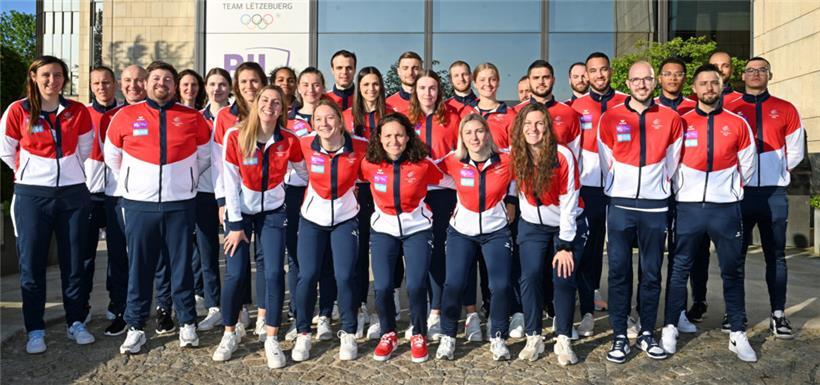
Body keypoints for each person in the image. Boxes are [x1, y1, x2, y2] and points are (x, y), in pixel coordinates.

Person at [105, 61, 211, 354]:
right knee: (139, 267)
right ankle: (136, 326)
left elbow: (204, 157)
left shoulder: (192, 117)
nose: (161, 82)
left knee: (182, 267)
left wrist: (184, 181)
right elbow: (112, 156)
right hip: (139, 204)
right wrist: (134, 183)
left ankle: (187, 321)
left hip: (180, 204)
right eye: (156, 78)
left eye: (167, 78)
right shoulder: (126, 115)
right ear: (147, 83)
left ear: (174, 86)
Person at [660, 63, 757, 362]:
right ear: (695, 89)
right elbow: (670, 163)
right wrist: (683, 192)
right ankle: (670, 326)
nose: (709, 88)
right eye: (703, 84)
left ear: (721, 85)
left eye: (713, 83)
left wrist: (728, 191)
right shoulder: (682, 121)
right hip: (689, 208)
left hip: (725, 208)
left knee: (732, 269)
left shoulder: (738, 123)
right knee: (679, 269)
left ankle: (738, 332)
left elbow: (748, 166)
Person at [1, 55, 95, 354]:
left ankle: (76, 322)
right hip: (32, 196)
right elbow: (6, 151)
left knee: (75, 262)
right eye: (46, 74)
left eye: (58, 75)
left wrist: (66, 172)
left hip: (72, 193)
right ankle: (35, 329)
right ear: (33, 77)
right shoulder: (18, 110)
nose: (52, 80)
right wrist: (32, 172)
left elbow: (84, 148)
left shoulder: (77, 110)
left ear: (65, 80)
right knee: (32, 264)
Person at [212, 85, 305, 369]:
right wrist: (235, 224)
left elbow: (305, 172)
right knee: (237, 273)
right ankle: (229, 332)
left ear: (283, 109)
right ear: (256, 104)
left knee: (275, 272)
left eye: (276, 102)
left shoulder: (289, 139)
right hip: (240, 214)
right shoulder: (236, 135)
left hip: (274, 212)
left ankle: (272, 337)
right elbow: (229, 181)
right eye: (265, 100)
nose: (270, 106)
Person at [598, 60, 683, 363]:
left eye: (647, 79)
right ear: (629, 82)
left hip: (655, 206)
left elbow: (673, 161)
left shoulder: (671, 118)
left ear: (654, 82)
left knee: (651, 273)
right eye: (636, 80)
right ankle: (620, 334)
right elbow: (606, 159)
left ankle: (647, 331)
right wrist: (618, 187)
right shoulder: (610, 117)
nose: (642, 84)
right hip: (620, 205)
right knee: (619, 272)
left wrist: (656, 185)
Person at [726, 56, 805, 339]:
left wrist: (778, 170)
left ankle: (778, 313)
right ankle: (735, 313)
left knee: (776, 256)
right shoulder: (731, 109)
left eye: (761, 70)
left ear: (770, 75)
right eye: (750, 70)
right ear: (743, 76)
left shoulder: (785, 109)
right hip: (740, 194)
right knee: (735, 257)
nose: (756, 74)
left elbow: (795, 149)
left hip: (773, 194)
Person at [290, 99, 369, 362]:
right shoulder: (303, 145)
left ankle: (348, 331)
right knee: (308, 274)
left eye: (330, 118)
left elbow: (377, 168)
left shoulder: (359, 146)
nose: (324, 123)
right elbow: (294, 168)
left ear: (340, 121)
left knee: (345, 275)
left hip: (346, 218)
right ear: (313, 124)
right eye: (318, 119)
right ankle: (303, 332)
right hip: (312, 218)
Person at [361, 113, 443, 363]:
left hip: (417, 229)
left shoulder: (423, 164)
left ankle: (419, 332)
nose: (394, 140)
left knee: (417, 285)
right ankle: (388, 332)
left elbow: (451, 179)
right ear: (379, 139)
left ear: (408, 137)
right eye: (388, 135)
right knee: (384, 287)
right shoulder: (369, 164)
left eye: (399, 135)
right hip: (383, 230)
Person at [434, 114, 515, 361]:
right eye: (468, 133)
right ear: (461, 137)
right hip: (462, 232)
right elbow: (424, 170)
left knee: (500, 285)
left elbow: (518, 180)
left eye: (479, 131)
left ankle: (498, 334)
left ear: (487, 134)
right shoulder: (453, 161)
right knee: (454, 284)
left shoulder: (507, 160)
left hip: (496, 231)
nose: (474, 137)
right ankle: (448, 336)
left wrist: (511, 201)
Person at [511, 103, 585, 365]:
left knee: (563, 278)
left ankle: (563, 336)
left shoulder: (563, 154)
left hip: (564, 225)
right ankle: (534, 336)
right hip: (532, 225)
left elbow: (570, 203)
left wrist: (565, 244)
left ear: (548, 126)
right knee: (529, 277)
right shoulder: (516, 154)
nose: (533, 129)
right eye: (528, 124)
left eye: (539, 123)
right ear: (520, 128)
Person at [211, 61, 269, 335]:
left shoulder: (271, 110)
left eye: (254, 81)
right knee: (237, 262)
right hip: (236, 202)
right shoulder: (224, 116)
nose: (249, 86)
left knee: (266, 261)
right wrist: (222, 201)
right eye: (244, 81)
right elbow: (218, 164)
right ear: (236, 86)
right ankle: (238, 311)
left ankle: (264, 314)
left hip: (266, 202)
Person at [570, 52, 628, 325]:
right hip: (589, 185)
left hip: (622, 186)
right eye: (593, 71)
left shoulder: (626, 102)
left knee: (620, 247)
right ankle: (589, 301)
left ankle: (623, 309)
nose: (599, 75)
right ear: (588, 75)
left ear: (610, 71)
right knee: (590, 245)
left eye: (603, 70)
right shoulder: (576, 106)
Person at [283, 67, 339, 342]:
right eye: (305, 84)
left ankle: (326, 314)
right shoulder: (288, 120)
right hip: (296, 194)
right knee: (299, 261)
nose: (311, 89)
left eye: (316, 84)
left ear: (322, 86)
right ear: (298, 88)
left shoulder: (332, 118)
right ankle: (298, 314)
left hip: (328, 197)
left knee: (327, 258)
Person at [342, 67, 397, 339]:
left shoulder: (391, 115)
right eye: (366, 84)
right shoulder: (347, 117)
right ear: (358, 87)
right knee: (360, 251)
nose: (371, 89)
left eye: (376, 84)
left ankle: (385, 307)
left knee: (386, 250)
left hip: (387, 188)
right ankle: (362, 306)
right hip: (358, 191)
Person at [407, 70, 461, 341]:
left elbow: (461, 153)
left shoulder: (452, 117)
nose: (427, 93)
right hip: (414, 194)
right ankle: (420, 310)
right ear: (415, 91)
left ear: (439, 91)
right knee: (419, 255)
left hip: (444, 194)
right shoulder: (407, 118)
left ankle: (438, 311)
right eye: (422, 88)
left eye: (432, 88)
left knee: (440, 252)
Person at [82, 65, 131, 336]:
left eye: (107, 82)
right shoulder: (81, 113)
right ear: (91, 86)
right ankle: (82, 305)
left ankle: (118, 303)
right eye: (97, 83)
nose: (102, 87)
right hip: (87, 194)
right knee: (84, 255)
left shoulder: (124, 113)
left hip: (116, 194)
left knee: (118, 254)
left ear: (115, 85)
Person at [190, 67, 230, 332]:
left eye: (222, 84)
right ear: (206, 88)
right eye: (212, 84)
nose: (217, 89)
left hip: (233, 194)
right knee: (207, 253)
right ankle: (214, 305)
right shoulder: (195, 118)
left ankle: (239, 306)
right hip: (203, 193)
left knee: (236, 251)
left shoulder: (239, 116)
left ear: (230, 88)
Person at [386, 51, 423, 116]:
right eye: (405, 68)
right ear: (398, 71)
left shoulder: (432, 103)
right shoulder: (387, 104)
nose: (410, 73)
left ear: (421, 71)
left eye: (415, 68)